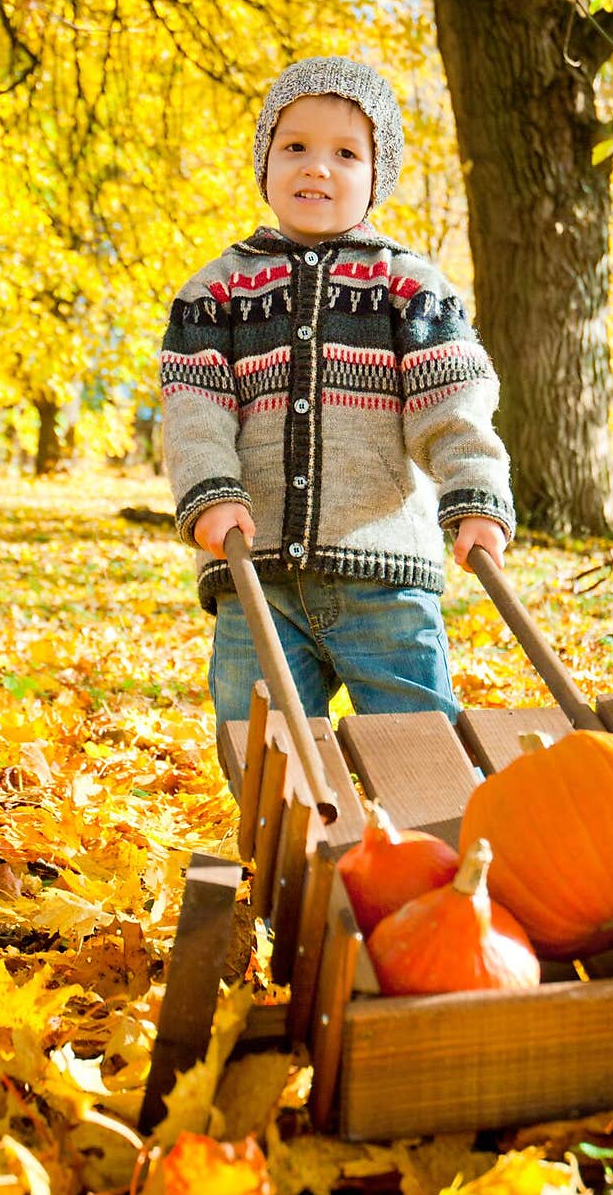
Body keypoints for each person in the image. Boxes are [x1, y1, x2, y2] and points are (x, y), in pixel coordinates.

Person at [160, 55, 515, 729]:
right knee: (259, 740)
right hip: (254, 572)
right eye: (294, 147)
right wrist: (209, 489)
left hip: (385, 575)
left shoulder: (410, 287)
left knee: (418, 737)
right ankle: (291, 836)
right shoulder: (215, 294)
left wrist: (476, 495)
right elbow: (194, 406)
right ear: (264, 160)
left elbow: (454, 403)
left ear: (376, 176)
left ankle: (428, 831)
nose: (316, 167)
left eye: (346, 153)